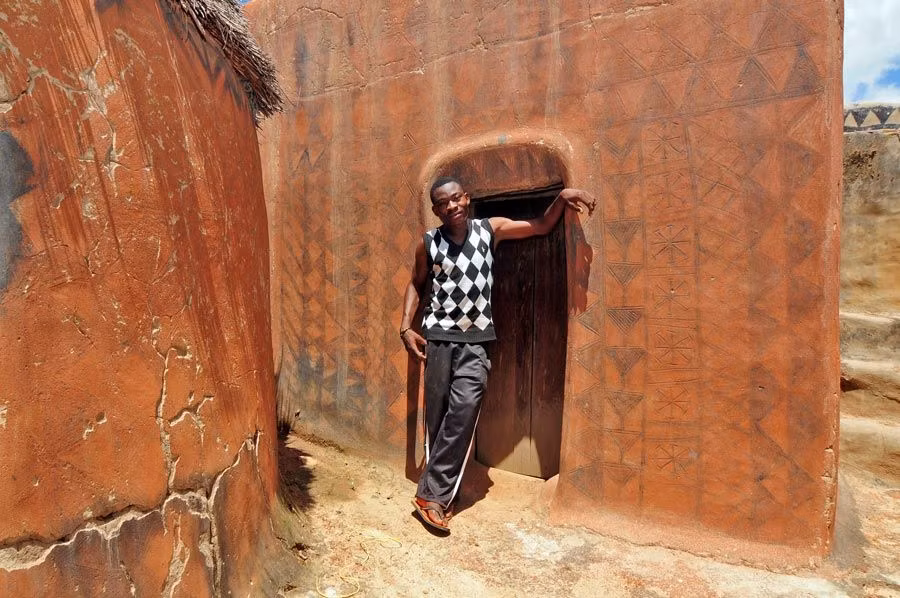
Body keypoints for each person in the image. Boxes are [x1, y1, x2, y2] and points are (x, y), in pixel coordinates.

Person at [400, 176, 595, 533]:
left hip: (477, 341)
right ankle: (437, 495)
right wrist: (405, 327)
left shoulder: (490, 230)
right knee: (439, 418)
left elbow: (539, 226)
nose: (452, 207)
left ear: (467, 198)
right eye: (443, 203)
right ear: (436, 210)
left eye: (456, 199)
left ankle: (432, 497)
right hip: (438, 338)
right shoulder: (429, 242)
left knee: (464, 410)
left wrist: (563, 197)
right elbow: (416, 282)